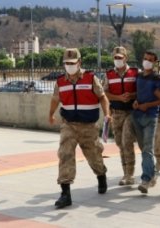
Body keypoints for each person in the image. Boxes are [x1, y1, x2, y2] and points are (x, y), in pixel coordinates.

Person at [48, 48, 112, 209]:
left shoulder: (91, 78)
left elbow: (102, 97)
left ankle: (101, 174)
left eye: (72, 63)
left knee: (94, 156)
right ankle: (65, 193)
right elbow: (55, 99)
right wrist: (51, 114)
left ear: (79, 63)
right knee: (65, 154)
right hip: (68, 124)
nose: (69, 66)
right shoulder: (61, 81)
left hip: (88, 126)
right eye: (66, 63)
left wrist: (107, 114)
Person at [131, 51, 160, 194]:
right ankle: (152, 175)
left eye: (150, 60)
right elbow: (138, 93)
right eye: (145, 59)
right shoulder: (139, 76)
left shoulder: (157, 79)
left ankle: (145, 179)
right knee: (144, 149)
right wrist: (136, 102)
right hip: (137, 116)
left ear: (154, 63)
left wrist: (149, 105)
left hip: (150, 117)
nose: (147, 62)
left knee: (147, 149)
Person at [104, 46, 137, 186]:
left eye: (120, 57)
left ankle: (130, 174)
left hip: (130, 113)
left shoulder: (135, 73)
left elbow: (141, 91)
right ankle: (125, 173)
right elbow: (105, 93)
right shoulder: (109, 74)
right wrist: (118, 97)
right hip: (116, 114)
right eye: (115, 57)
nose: (117, 60)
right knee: (120, 144)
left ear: (126, 58)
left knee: (127, 142)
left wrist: (132, 96)